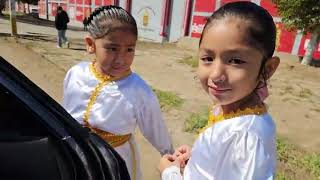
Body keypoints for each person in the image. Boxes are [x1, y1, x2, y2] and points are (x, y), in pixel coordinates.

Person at [158, 1, 280, 180]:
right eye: (208, 58)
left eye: (236, 61)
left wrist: (170, 173)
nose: (216, 75)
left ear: (267, 69)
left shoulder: (245, 136)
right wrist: (197, 157)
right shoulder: (234, 112)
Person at [62, 5, 174, 180]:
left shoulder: (138, 90)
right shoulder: (75, 74)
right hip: (76, 151)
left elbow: (155, 127)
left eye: (130, 49)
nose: (121, 59)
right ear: (91, 45)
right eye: (112, 48)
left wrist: (169, 153)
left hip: (116, 159)